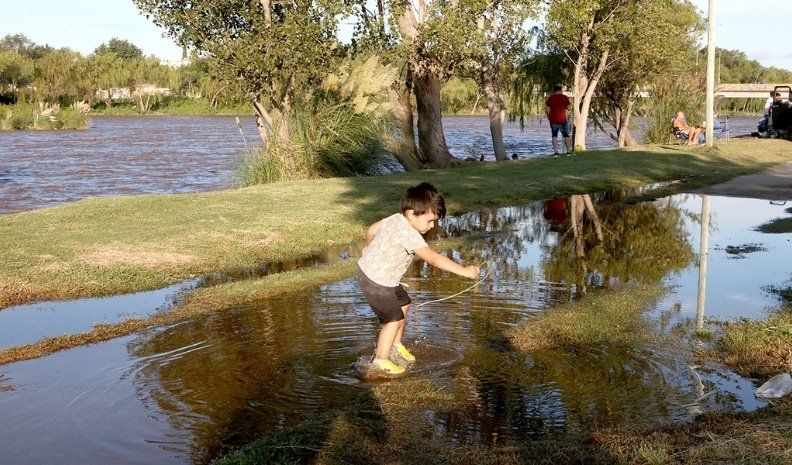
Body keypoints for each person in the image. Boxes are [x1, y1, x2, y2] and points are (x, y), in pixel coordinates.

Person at [357, 182, 480, 375]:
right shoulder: (409, 234)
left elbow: (371, 230)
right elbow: (432, 258)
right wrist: (464, 271)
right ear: (412, 213)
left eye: (434, 222)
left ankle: (395, 345)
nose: (432, 226)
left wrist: (370, 248)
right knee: (393, 319)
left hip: (376, 276)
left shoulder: (396, 218)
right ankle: (380, 360)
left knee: (404, 302)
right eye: (429, 221)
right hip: (376, 281)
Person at [545, 85, 573, 157]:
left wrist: (549, 117)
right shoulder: (565, 97)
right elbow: (569, 108)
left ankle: (556, 152)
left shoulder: (550, 98)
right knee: (566, 135)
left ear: (554, 91)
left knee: (554, 136)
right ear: (560, 90)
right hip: (562, 119)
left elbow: (548, 109)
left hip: (553, 120)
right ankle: (568, 152)